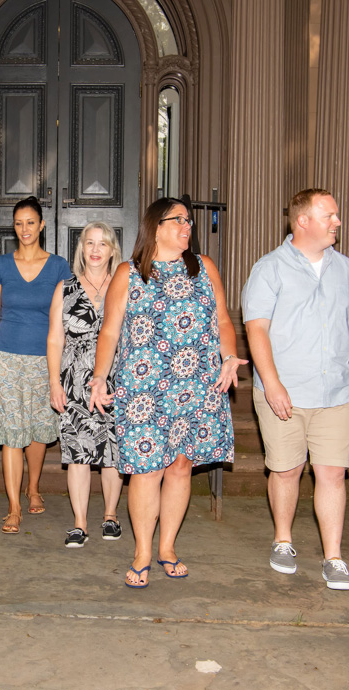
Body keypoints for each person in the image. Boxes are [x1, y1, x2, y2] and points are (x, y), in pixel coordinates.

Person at [91, 198, 243, 588]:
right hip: (143, 386)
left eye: (189, 221)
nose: (188, 226)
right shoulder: (128, 274)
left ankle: (167, 547)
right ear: (156, 226)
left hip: (196, 384)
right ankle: (143, 550)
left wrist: (229, 355)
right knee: (146, 469)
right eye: (179, 220)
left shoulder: (204, 268)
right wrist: (98, 378)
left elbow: (223, 319)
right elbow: (109, 331)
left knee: (180, 466)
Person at [241, 189, 349, 592]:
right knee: (286, 469)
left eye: (336, 214)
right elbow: (256, 328)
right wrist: (273, 383)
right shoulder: (269, 269)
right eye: (329, 215)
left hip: (336, 391)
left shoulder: (346, 269)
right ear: (302, 221)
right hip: (285, 392)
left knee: (332, 472)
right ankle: (283, 540)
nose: (337, 221)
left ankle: (334, 557)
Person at [0, 196, 72, 534]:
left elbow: (66, 316)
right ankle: (14, 506)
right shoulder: (0, 266)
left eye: (30, 223)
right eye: (19, 223)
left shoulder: (59, 267)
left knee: (37, 431)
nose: (24, 230)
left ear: (42, 225)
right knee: (11, 433)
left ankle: (33, 487)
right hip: (6, 357)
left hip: (45, 360)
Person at [47, 222, 123, 548]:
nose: (95, 250)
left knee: (112, 452)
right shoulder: (65, 287)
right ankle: (79, 523)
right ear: (81, 248)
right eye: (89, 243)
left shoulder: (124, 285)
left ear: (111, 250)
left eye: (102, 244)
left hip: (117, 379)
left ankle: (110, 515)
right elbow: (54, 339)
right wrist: (54, 382)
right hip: (75, 379)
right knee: (78, 452)